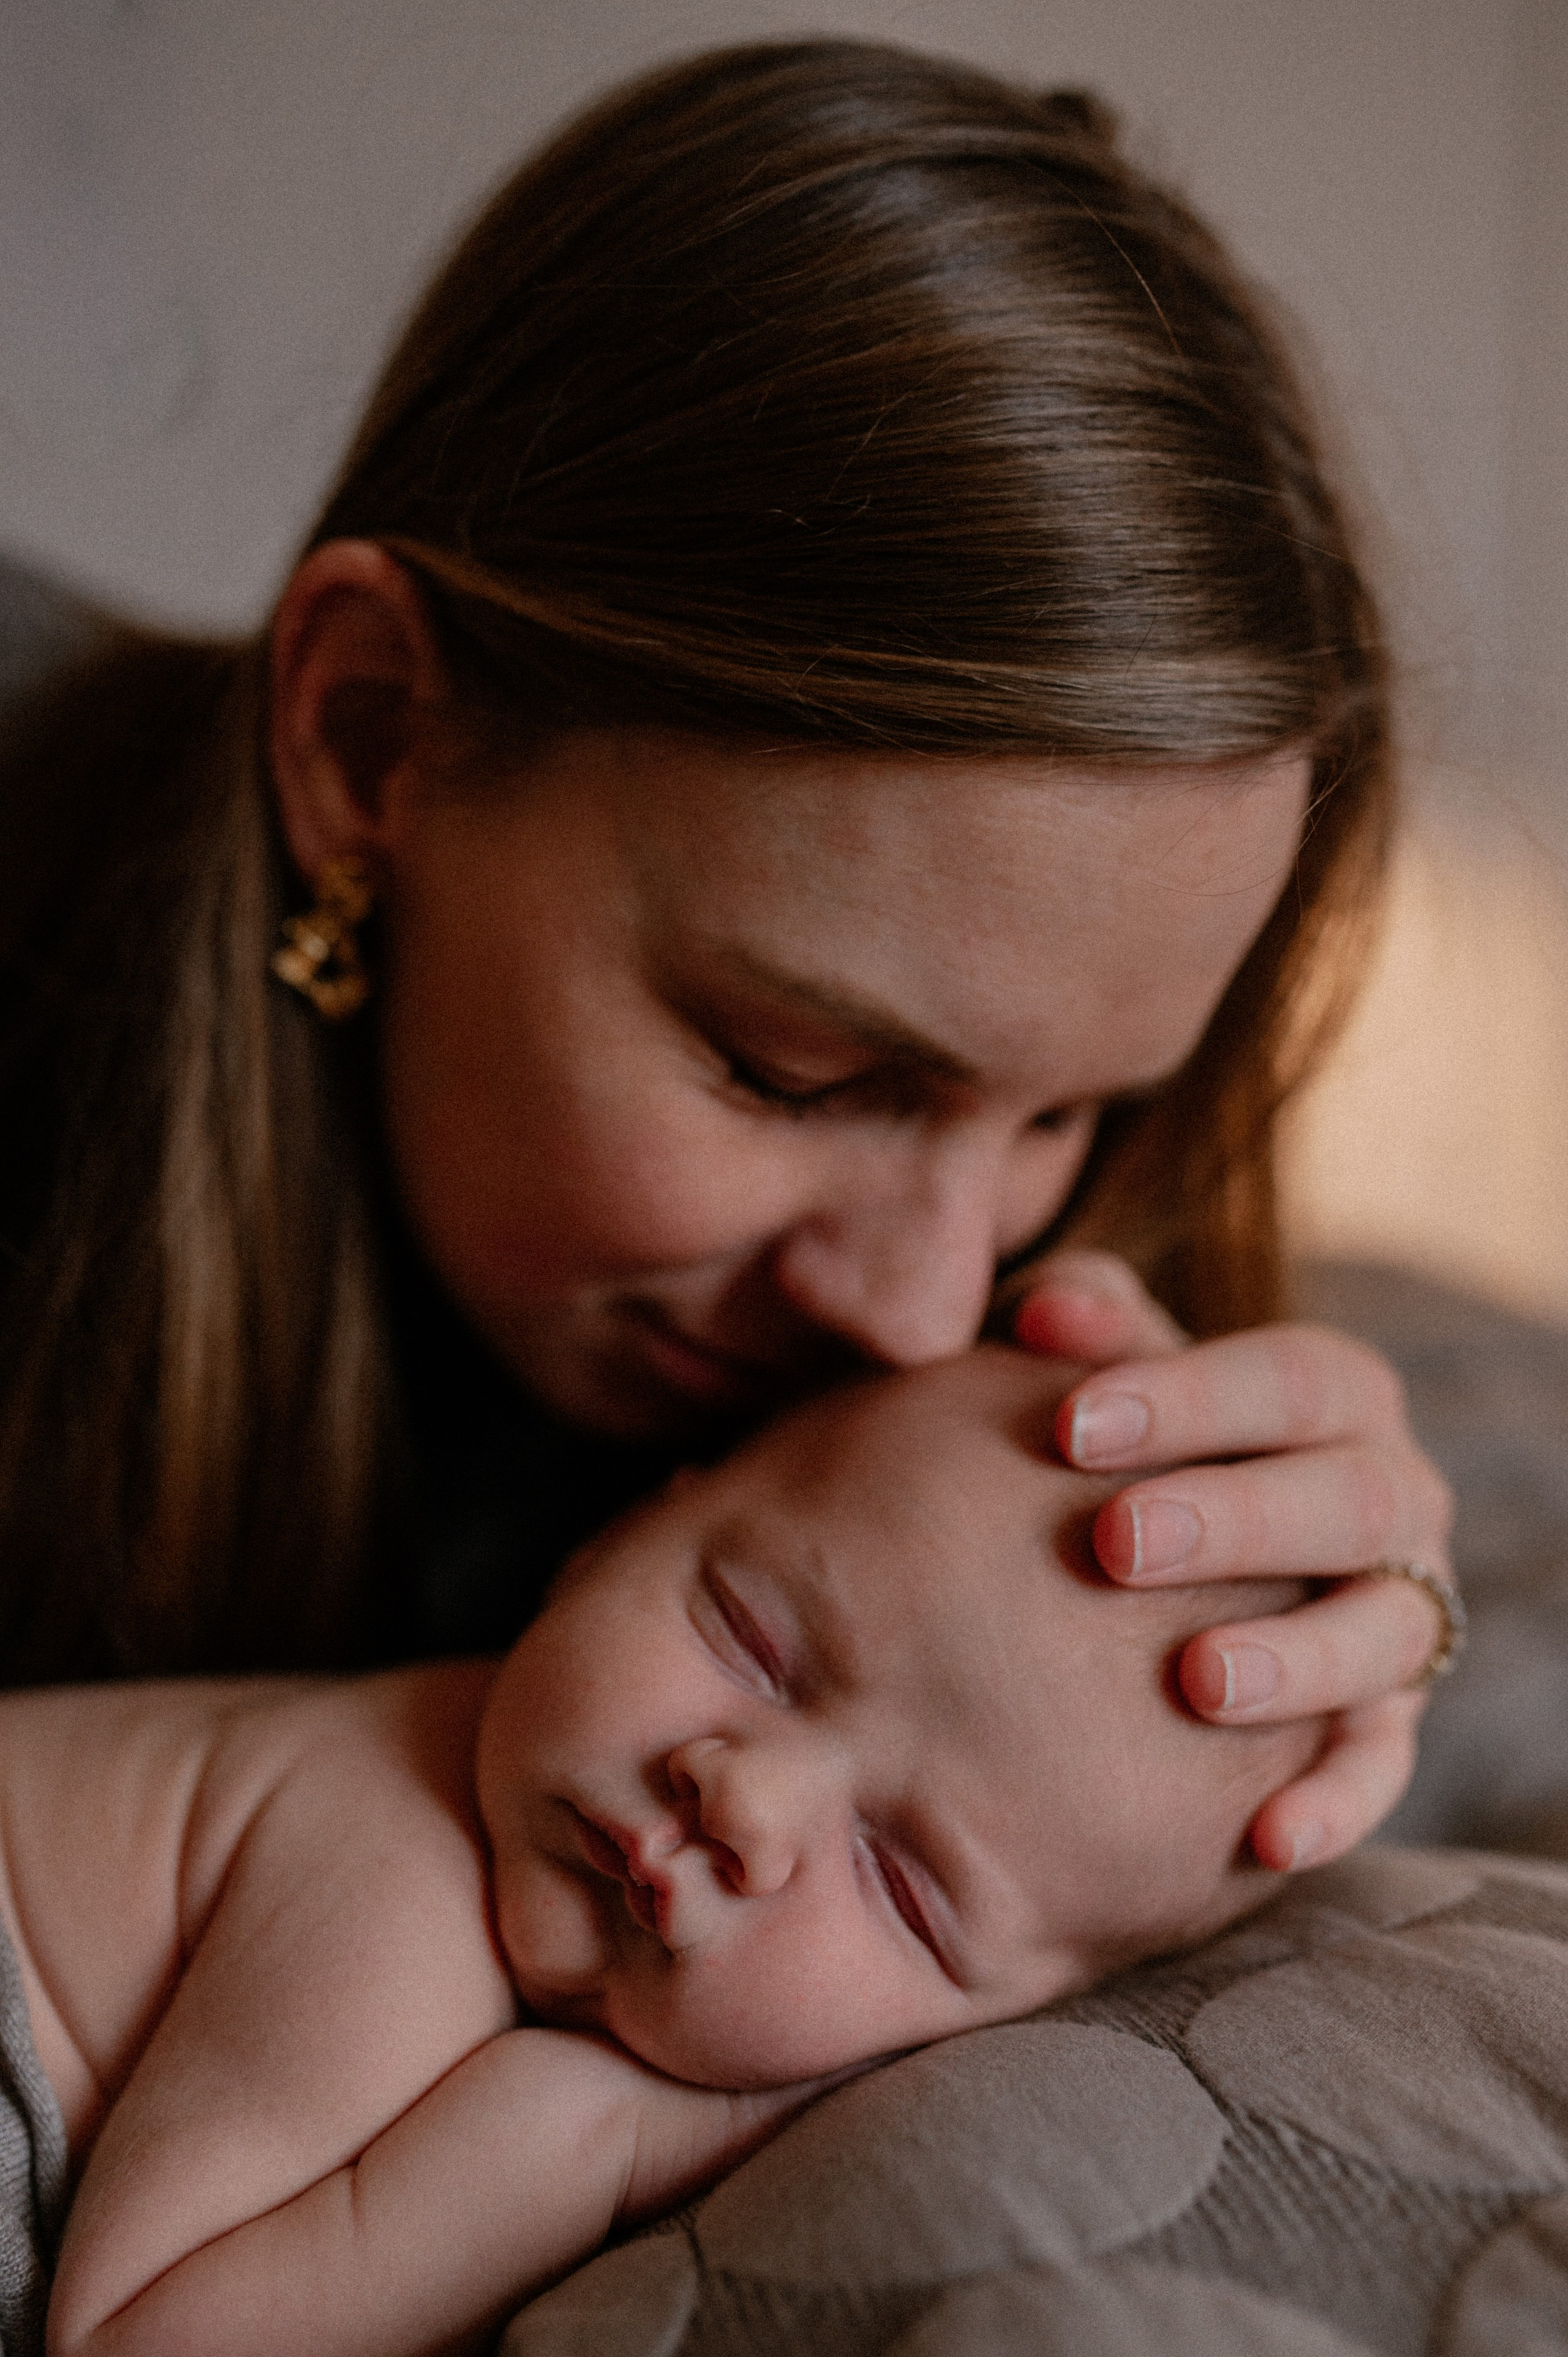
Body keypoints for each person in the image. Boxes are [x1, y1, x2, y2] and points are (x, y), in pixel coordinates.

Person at [0, 42, 1450, 1893]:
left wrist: (1353, 1591)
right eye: (797, 1071)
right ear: (369, 743)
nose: (928, 1307)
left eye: (1074, 1112)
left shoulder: (970, 1312)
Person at [13, 1346, 1324, 2357]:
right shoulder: (397, 1856)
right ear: (612, 1538)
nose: (740, 1801)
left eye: (897, 1880)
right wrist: (590, 2140)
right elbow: (140, 2333)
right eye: (749, 1640)